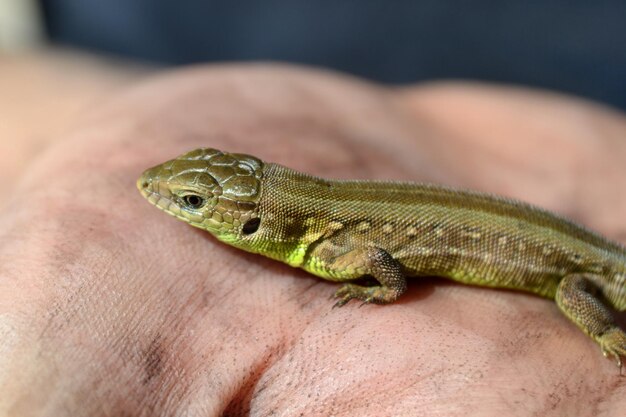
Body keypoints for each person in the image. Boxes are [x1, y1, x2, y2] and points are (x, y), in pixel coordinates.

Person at [1, 64, 625, 416]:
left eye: (192, 202)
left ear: (253, 220)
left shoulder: (331, 250)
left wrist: (381, 294)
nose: (166, 198)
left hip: (574, 264)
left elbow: (386, 263)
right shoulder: (310, 218)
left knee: (577, 294)